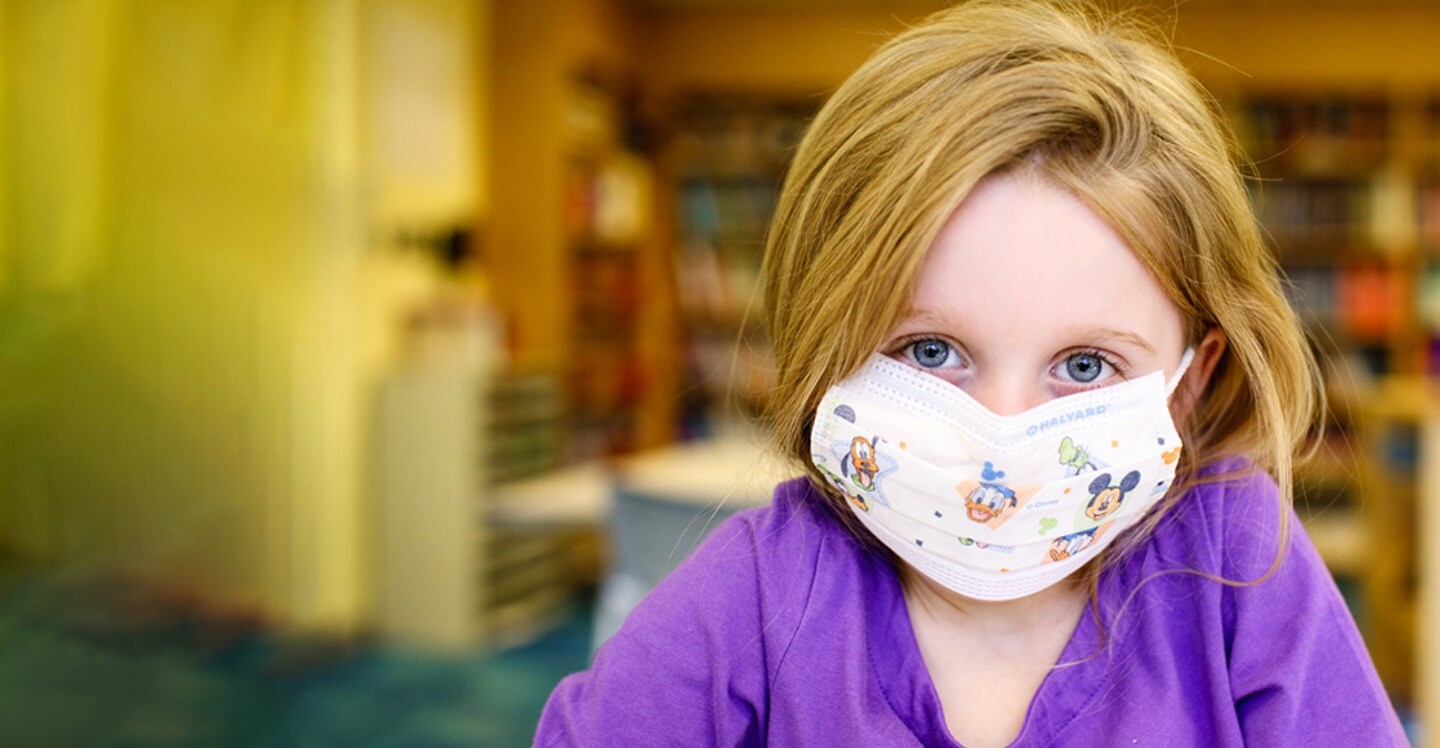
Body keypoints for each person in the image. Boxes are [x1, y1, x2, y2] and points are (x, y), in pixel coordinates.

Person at [537, 1, 1408, 745]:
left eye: (1084, 365)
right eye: (930, 352)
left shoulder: (1234, 563)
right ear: (826, 336)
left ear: (1186, 382)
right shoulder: (763, 591)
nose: (1002, 427)